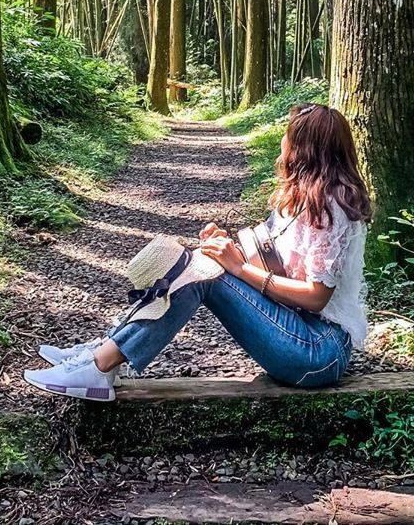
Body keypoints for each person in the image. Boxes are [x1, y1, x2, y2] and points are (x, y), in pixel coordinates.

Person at [23, 103, 371, 401]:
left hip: (318, 351)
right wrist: (228, 249)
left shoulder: (331, 208)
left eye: (289, 134)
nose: (283, 141)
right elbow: (277, 267)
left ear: (304, 148)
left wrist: (236, 268)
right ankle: (103, 354)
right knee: (201, 263)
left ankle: (100, 365)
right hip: (296, 331)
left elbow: (315, 298)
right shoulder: (302, 199)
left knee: (204, 274)